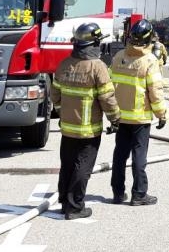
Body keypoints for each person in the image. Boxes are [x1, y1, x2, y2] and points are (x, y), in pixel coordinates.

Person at [51, 22, 120, 220]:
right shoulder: (97, 67)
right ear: (95, 43)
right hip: (88, 129)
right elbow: (107, 98)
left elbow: (55, 94)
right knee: (83, 168)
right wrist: (115, 119)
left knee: (68, 165)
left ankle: (65, 203)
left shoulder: (64, 64)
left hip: (67, 128)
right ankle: (75, 207)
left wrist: (62, 113)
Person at [110, 18, 167, 206]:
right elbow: (155, 91)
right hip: (140, 118)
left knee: (120, 155)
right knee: (139, 157)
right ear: (149, 38)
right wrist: (161, 114)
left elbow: (109, 87)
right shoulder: (150, 61)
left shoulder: (119, 57)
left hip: (120, 117)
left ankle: (118, 193)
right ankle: (139, 194)